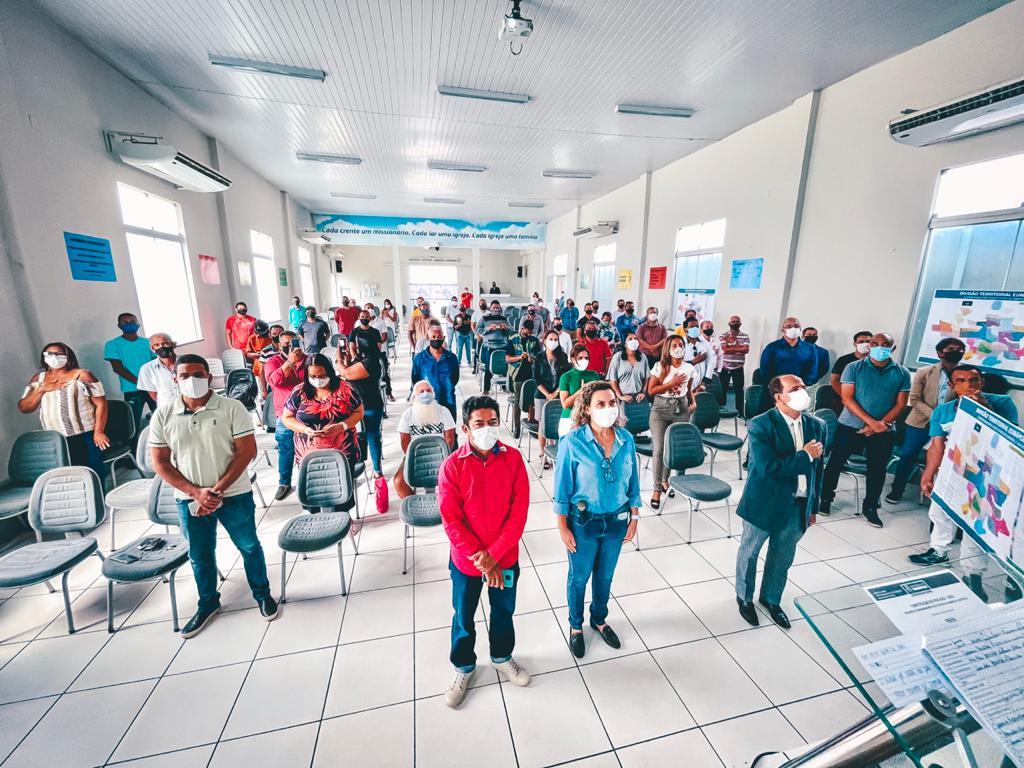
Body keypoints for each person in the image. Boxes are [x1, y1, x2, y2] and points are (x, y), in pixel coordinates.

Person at [149, 354, 277, 637]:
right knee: (200, 554)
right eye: (184, 376)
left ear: (209, 376)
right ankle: (208, 602)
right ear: (175, 379)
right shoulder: (164, 414)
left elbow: (246, 452)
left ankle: (262, 593)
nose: (191, 380)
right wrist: (195, 493)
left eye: (197, 374)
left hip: (233, 494)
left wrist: (216, 491)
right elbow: (160, 462)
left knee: (249, 546)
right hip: (189, 499)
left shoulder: (231, 408)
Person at [437, 395, 531, 708]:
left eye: (493, 422)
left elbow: (518, 515)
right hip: (467, 561)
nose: (487, 429)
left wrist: (494, 555)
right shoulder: (452, 466)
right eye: (479, 424)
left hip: (504, 557)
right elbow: (451, 520)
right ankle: (464, 667)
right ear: (465, 428)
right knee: (463, 615)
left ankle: (503, 656)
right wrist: (481, 558)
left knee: (503, 611)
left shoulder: (514, 460)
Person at [554, 381, 640, 657]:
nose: (608, 409)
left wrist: (635, 516)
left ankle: (599, 619)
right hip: (583, 523)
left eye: (612, 403)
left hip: (616, 521)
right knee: (579, 577)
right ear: (587, 410)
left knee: (605, 576)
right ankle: (576, 626)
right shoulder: (572, 442)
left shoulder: (626, 440)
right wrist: (562, 526)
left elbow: (633, 482)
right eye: (600, 404)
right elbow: (562, 488)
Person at [735, 375, 826, 629]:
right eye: (795, 389)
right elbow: (767, 467)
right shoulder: (760, 425)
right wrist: (805, 455)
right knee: (750, 552)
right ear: (779, 397)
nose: (803, 392)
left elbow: (818, 470)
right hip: (765, 501)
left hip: (798, 504)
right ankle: (744, 598)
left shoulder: (817, 425)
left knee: (782, 555)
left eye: (804, 387)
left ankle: (771, 599)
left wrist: (813, 506)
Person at [911, 364, 1020, 565]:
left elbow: (1008, 439)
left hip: (985, 472)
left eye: (974, 380)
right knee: (939, 511)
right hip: (952, 467)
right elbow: (936, 446)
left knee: (974, 517)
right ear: (952, 385)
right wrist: (928, 474)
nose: (968, 385)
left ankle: (971, 567)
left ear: (982, 382)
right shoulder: (943, 411)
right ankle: (938, 550)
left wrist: (983, 406)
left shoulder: (1002, 403)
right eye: (961, 381)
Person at [819, 333, 911, 527]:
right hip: (850, 425)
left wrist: (879, 425)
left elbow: (901, 404)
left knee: (877, 470)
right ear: (869, 346)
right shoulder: (853, 367)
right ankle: (825, 499)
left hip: (883, 430)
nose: (879, 347)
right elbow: (847, 398)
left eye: (885, 344)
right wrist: (870, 423)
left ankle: (870, 507)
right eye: (875, 343)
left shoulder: (901, 373)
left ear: (893, 349)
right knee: (835, 463)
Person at [885, 337, 966, 503]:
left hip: (949, 424)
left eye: (960, 349)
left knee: (949, 459)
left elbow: (964, 400)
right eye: (951, 349)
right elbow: (914, 399)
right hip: (920, 421)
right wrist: (935, 416)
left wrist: (944, 418)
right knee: (908, 455)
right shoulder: (925, 372)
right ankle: (897, 489)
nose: (956, 352)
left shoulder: (964, 375)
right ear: (940, 353)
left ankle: (940, 496)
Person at [18, 342, 109, 479]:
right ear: (44, 357)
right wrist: (41, 389)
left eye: (58, 354)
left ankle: (96, 499)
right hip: (55, 437)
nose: (53, 357)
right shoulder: (38, 379)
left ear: (68, 356)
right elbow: (24, 408)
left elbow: (101, 404)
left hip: (84, 434)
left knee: (91, 472)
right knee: (66, 475)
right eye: (49, 354)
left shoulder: (82, 375)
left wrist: (99, 431)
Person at [280, 355, 365, 494]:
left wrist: (342, 426)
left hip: (341, 451)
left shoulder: (345, 389)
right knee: (313, 493)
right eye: (313, 376)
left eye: (322, 375)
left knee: (341, 493)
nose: (318, 380)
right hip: (308, 454)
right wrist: (305, 429)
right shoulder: (299, 392)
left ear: (330, 372)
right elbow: (287, 417)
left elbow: (359, 412)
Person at [647, 335, 698, 509]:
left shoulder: (689, 368)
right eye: (674, 345)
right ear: (668, 348)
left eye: (681, 344)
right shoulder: (660, 366)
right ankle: (656, 489)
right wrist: (672, 383)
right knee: (659, 449)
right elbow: (651, 390)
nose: (678, 347)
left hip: (681, 408)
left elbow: (689, 388)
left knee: (671, 449)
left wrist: (693, 401)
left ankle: (664, 481)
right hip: (660, 409)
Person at [394, 381, 457, 498]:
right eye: (421, 391)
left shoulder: (444, 411)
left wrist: (443, 458)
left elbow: (450, 438)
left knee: (458, 479)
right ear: (414, 396)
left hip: (442, 455)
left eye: (428, 391)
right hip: (415, 456)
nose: (425, 394)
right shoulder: (408, 414)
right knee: (399, 481)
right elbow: (404, 441)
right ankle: (415, 503)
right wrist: (412, 459)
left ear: (433, 394)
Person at [264, 330, 305, 500]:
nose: (290, 346)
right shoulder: (273, 362)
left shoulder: (308, 359)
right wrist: (289, 362)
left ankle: (306, 480)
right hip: (285, 414)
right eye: (286, 344)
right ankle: (284, 482)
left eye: (293, 343)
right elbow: (273, 381)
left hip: (306, 412)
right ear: (280, 345)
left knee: (307, 449)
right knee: (286, 450)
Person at [335, 343, 384, 478]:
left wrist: (338, 359)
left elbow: (346, 373)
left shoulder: (370, 362)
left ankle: (377, 470)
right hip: (354, 406)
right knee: (356, 436)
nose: (352, 345)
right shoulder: (359, 360)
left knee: (372, 436)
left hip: (370, 405)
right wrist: (347, 357)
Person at [103, 312, 155, 429]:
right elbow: (117, 368)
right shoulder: (113, 344)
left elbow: (155, 362)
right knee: (133, 423)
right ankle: (134, 446)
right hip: (133, 389)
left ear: (138, 324)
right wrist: (140, 382)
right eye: (125, 322)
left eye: (132, 322)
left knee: (162, 415)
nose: (129, 324)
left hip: (152, 386)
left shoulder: (147, 342)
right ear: (119, 326)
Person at [534, 329, 571, 469]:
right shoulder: (539, 357)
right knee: (543, 425)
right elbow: (536, 378)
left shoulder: (562, 356)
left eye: (556, 339)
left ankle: (556, 451)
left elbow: (565, 376)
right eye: (551, 339)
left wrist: (556, 392)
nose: (553, 342)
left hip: (559, 394)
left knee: (556, 423)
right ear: (544, 340)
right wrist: (547, 394)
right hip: (541, 395)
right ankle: (543, 453)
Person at [759, 317, 821, 397]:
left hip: (799, 390)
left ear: (800, 329)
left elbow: (813, 370)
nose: (793, 329)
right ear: (782, 329)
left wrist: (801, 386)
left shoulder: (810, 348)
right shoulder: (772, 347)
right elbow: (765, 369)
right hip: (776, 390)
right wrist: (777, 386)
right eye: (788, 326)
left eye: (796, 326)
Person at [412, 325, 461, 419]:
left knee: (449, 428)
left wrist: (447, 386)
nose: (436, 339)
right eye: (433, 337)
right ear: (428, 338)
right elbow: (415, 380)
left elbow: (455, 378)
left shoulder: (451, 358)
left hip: (448, 400)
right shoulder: (419, 359)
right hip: (427, 401)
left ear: (443, 338)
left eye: (439, 337)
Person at [505, 318, 542, 433]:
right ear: (522, 329)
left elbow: (539, 357)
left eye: (531, 332)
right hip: (517, 372)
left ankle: (531, 421)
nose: (529, 334)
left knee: (532, 399)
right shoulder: (513, 339)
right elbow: (507, 359)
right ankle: (516, 427)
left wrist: (533, 359)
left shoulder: (535, 340)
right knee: (517, 400)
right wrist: (519, 358)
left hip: (531, 372)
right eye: (527, 332)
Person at [558, 344, 601, 437]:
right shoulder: (566, 377)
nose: (584, 360)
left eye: (586, 358)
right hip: (570, 419)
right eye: (580, 358)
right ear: (573, 359)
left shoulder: (594, 375)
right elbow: (565, 404)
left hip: (590, 418)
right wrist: (581, 391)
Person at [825, 331, 873, 414]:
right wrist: (846, 398)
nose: (865, 344)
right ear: (855, 344)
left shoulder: (876, 362)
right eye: (861, 342)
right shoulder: (844, 360)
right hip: (843, 400)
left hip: (868, 402)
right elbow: (834, 380)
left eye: (868, 342)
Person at [137, 333, 181, 409]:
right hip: (167, 410)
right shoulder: (147, 369)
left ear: (173, 345)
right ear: (153, 349)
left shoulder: (188, 362)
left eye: (165, 343)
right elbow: (154, 394)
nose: (162, 347)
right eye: (157, 345)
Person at [719, 315, 751, 415]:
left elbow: (746, 350)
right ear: (729, 323)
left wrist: (731, 348)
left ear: (740, 324)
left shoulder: (745, 336)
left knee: (739, 390)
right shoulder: (723, 335)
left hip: (738, 368)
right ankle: (721, 410)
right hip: (725, 367)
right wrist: (739, 348)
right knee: (722, 390)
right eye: (733, 321)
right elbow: (725, 349)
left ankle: (740, 413)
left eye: (737, 321)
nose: (735, 323)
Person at [607, 332, 650, 403]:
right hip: (622, 397)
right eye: (630, 339)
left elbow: (647, 377)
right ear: (625, 343)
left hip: (638, 397)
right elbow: (613, 380)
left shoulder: (643, 357)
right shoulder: (617, 357)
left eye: (635, 339)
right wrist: (620, 396)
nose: (634, 341)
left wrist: (643, 392)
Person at [479, 300, 510, 395]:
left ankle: (505, 386)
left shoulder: (504, 318)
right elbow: (478, 330)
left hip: (502, 345)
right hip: (489, 345)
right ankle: (486, 389)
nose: (496, 309)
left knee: (504, 366)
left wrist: (506, 328)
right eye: (494, 307)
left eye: (497, 308)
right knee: (489, 367)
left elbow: (509, 332)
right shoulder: (485, 318)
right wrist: (488, 329)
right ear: (490, 308)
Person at [244, 320, 275, 397]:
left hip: (272, 361)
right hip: (259, 363)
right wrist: (258, 354)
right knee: (263, 392)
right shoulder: (252, 338)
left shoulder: (271, 336)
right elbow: (248, 353)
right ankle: (264, 395)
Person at [680, 318, 712, 386]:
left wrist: (705, 381)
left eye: (697, 326)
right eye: (692, 327)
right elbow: (676, 365)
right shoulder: (680, 343)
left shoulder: (704, 342)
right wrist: (694, 361)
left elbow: (710, 362)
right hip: (684, 384)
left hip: (702, 383)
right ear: (685, 329)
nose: (695, 328)